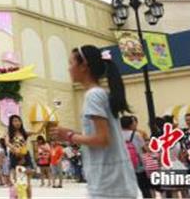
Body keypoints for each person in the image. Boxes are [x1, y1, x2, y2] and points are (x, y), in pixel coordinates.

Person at [52, 45, 136, 199]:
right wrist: (72, 133)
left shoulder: (93, 96)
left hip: (107, 183)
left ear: (84, 66)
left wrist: (69, 136)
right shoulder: (102, 93)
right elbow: (101, 135)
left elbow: (102, 139)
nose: (69, 68)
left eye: (71, 63)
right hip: (115, 181)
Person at [121, 115, 152, 198]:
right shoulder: (136, 134)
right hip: (138, 166)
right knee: (144, 189)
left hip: (124, 166)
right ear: (130, 124)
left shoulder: (117, 135)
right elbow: (145, 149)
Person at [5, 116, 30, 189]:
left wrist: (42, 125)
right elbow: (7, 142)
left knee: (27, 171)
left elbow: (37, 131)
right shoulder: (9, 133)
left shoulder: (24, 133)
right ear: (11, 123)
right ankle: (16, 188)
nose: (17, 122)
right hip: (14, 154)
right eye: (15, 121)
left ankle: (27, 188)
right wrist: (14, 148)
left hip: (24, 154)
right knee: (15, 171)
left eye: (18, 121)